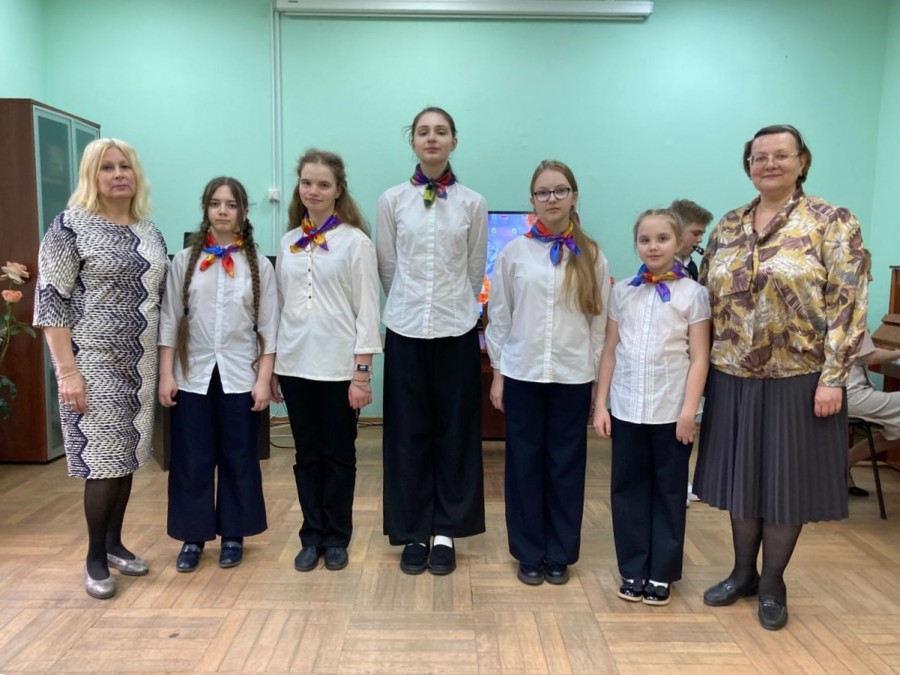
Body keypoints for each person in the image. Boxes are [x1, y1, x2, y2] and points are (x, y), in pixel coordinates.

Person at [694, 124, 868, 630]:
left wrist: (834, 376)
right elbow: (704, 298)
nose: (768, 164)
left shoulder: (832, 221)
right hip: (732, 376)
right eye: (759, 157)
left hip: (801, 378)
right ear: (748, 165)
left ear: (802, 161)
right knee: (742, 481)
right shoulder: (728, 225)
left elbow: (848, 303)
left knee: (785, 486)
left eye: (780, 155)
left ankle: (773, 582)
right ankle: (742, 573)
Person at [33, 138, 168, 599]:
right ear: (92, 176)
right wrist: (67, 373)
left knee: (127, 457)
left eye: (124, 166)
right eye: (107, 168)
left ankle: (114, 543)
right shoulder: (70, 226)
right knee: (103, 463)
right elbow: (50, 303)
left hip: (140, 365)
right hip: (92, 364)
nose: (118, 175)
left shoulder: (149, 231)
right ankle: (94, 556)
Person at [486, 160, 609, 586]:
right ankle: (528, 551)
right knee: (524, 464)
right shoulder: (514, 253)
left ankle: (560, 552)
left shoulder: (592, 255)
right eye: (543, 192)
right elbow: (500, 318)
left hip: (572, 377)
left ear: (574, 196)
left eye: (560, 190)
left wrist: (595, 383)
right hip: (523, 374)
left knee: (565, 466)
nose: (551, 198)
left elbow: (598, 324)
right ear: (532, 200)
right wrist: (498, 374)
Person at [376, 106, 488, 575]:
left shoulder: (473, 203)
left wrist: (451, 305)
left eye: (441, 132)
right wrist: (410, 303)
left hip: (456, 329)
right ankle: (413, 530)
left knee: (455, 433)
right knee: (407, 434)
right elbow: (388, 267)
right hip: (405, 330)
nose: (432, 138)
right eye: (423, 132)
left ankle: (446, 530)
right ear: (413, 142)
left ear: (453, 142)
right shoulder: (392, 200)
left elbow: (474, 270)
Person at [158, 177, 277, 572]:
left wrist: (263, 379)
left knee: (238, 456)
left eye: (231, 204)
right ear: (205, 209)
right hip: (192, 376)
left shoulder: (257, 265)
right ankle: (193, 537)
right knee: (192, 457)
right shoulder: (183, 261)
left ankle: (233, 535)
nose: (222, 211)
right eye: (215, 204)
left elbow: (270, 327)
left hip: (239, 376)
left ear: (243, 212)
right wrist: (166, 375)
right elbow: (169, 320)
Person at [593, 208, 710, 606]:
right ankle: (632, 568)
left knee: (669, 491)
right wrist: (601, 405)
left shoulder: (692, 294)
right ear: (637, 245)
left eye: (662, 239)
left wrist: (689, 412)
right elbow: (610, 351)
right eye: (645, 240)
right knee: (627, 491)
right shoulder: (623, 292)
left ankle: (661, 572)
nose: (653, 246)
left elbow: (699, 358)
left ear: (678, 242)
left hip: (670, 413)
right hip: (627, 409)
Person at [273, 150, 381, 573]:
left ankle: (336, 537)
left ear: (338, 190)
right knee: (306, 456)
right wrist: (275, 367)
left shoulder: (356, 242)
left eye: (323, 184)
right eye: (306, 183)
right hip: (295, 365)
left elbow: (367, 310)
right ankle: (311, 534)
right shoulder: (288, 242)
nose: (313, 191)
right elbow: (280, 308)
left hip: (338, 369)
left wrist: (362, 373)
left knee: (338, 456)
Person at [847, 330, 900, 494]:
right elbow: (871, 358)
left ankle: (843, 465)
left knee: (897, 429)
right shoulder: (850, 317)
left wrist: (891, 351)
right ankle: (842, 465)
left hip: (840, 394)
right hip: (850, 396)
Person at [668, 199, 713, 283]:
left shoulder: (691, 266)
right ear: (676, 230)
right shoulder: (659, 267)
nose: (700, 240)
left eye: (701, 234)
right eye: (695, 234)